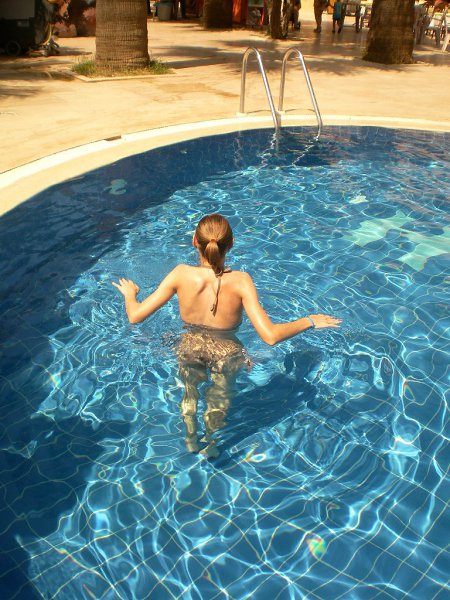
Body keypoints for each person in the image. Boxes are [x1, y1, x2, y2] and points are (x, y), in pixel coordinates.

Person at [112, 214, 341, 457]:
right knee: (218, 401)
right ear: (231, 244)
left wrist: (130, 295)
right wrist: (309, 321)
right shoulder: (241, 281)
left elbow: (135, 316)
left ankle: (190, 438)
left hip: (190, 346)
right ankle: (211, 443)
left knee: (190, 393)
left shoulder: (180, 274)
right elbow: (271, 336)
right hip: (226, 353)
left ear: (194, 241)